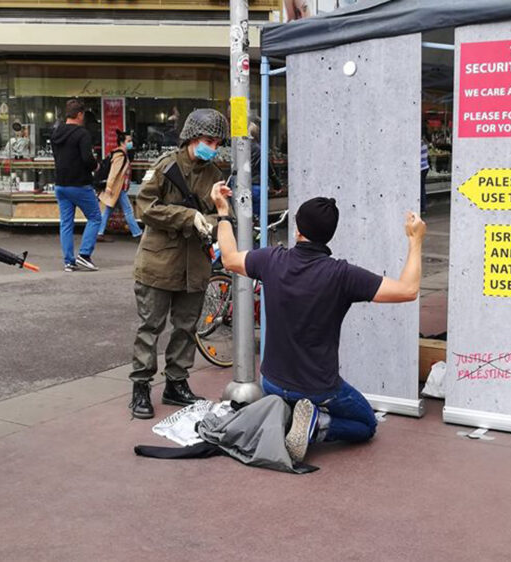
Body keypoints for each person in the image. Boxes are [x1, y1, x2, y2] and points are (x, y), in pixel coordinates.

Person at [211, 188, 426, 462]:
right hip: (317, 387)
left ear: (298, 229)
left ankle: (294, 415)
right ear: (330, 234)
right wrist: (415, 240)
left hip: (272, 381)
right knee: (367, 425)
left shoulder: (271, 259)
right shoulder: (341, 274)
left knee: (311, 399)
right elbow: (408, 290)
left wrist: (222, 212)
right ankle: (316, 426)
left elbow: (229, 258)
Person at [128, 108, 228, 419]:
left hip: (195, 264)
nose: (212, 147)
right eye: (208, 140)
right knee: (150, 327)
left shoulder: (214, 174)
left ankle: (176, 383)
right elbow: (144, 208)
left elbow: (224, 215)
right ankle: (141, 387)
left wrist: (209, 221)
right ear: (192, 137)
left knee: (186, 328)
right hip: (159, 262)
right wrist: (187, 216)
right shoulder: (165, 167)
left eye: (217, 142)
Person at [52, 99, 102, 272]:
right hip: (79, 184)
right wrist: (96, 166)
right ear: (79, 114)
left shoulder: (56, 133)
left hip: (60, 184)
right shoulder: (82, 134)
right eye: (83, 115)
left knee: (66, 223)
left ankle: (69, 261)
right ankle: (85, 254)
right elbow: (87, 158)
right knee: (95, 217)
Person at [97, 130, 143, 240]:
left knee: (108, 210)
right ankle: (137, 233)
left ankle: (99, 232)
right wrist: (109, 186)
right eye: (129, 141)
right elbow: (114, 172)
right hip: (118, 188)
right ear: (122, 142)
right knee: (128, 210)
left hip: (117, 188)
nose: (131, 143)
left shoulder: (120, 154)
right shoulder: (120, 155)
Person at [420, 131, 430, 214]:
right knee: (422, 187)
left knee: (420, 188)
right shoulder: (425, 143)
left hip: (420, 168)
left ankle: (422, 207)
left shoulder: (418, 143)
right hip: (425, 167)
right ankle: (423, 207)